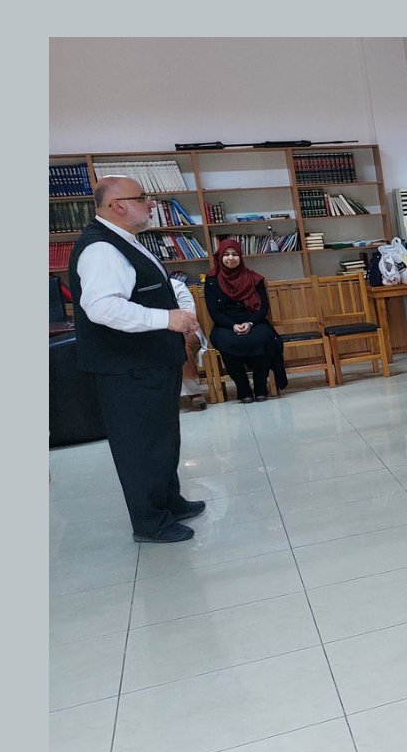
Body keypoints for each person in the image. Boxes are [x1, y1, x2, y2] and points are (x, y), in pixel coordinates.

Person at [67, 175, 204, 543]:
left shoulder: (124, 240)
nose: (151, 204)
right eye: (143, 197)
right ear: (118, 206)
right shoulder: (101, 249)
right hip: (127, 368)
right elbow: (102, 308)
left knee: (162, 439)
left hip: (150, 362)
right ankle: (150, 522)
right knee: (141, 446)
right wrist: (167, 319)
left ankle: (169, 502)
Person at [205, 239, 284, 404]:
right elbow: (214, 312)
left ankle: (260, 386)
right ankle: (243, 389)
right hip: (226, 325)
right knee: (227, 342)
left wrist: (249, 323)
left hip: (254, 321)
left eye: (234, 254)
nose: (230, 258)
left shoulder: (254, 278)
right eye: (226, 254)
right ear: (220, 257)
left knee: (263, 338)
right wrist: (232, 325)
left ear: (240, 257)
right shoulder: (212, 280)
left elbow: (263, 308)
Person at [169, 273, 207, 411]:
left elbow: (188, 314)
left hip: (185, 330)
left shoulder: (176, 285)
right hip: (154, 333)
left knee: (180, 345)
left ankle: (194, 392)